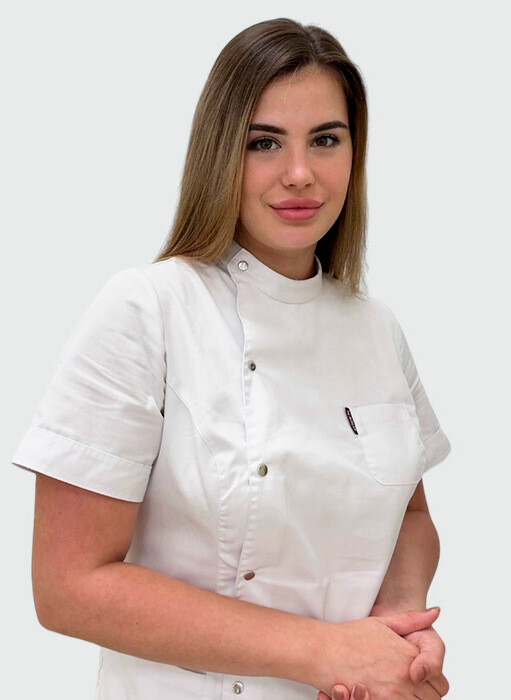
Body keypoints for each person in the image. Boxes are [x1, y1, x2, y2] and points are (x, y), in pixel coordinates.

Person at [10, 17, 452, 700]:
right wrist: (324, 652)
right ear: (220, 153)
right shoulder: (147, 310)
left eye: (326, 140)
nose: (300, 174)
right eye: (263, 142)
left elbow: (411, 516)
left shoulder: (376, 328)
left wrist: (396, 629)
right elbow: (68, 586)